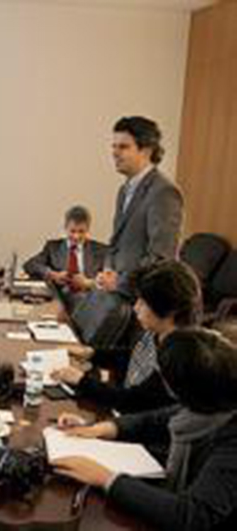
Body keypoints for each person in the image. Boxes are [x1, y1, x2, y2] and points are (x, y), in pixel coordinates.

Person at [52, 328, 237, 530]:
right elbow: (155, 420)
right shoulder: (211, 400)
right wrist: (102, 428)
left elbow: (195, 514)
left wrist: (107, 478)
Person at [52, 260, 201, 414]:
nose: (136, 308)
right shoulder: (159, 331)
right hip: (126, 414)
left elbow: (134, 401)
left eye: (143, 303)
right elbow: (135, 357)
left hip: (136, 421)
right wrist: (91, 353)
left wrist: (81, 381)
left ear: (169, 310)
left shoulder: (180, 358)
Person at [97, 117, 184, 296]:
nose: (114, 153)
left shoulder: (164, 192)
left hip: (140, 298)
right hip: (115, 294)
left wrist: (120, 283)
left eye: (123, 147)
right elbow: (116, 244)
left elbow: (161, 259)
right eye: (114, 146)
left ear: (146, 151)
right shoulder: (124, 190)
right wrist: (107, 270)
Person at [23, 205, 108, 292]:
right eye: (72, 231)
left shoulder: (102, 251)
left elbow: (111, 282)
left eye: (81, 231)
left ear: (88, 229)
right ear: (65, 228)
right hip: (60, 296)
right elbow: (30, 265)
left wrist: (89, 283)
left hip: (90, 296)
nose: (76, 236)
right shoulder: (52, 248)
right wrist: (53, 274)